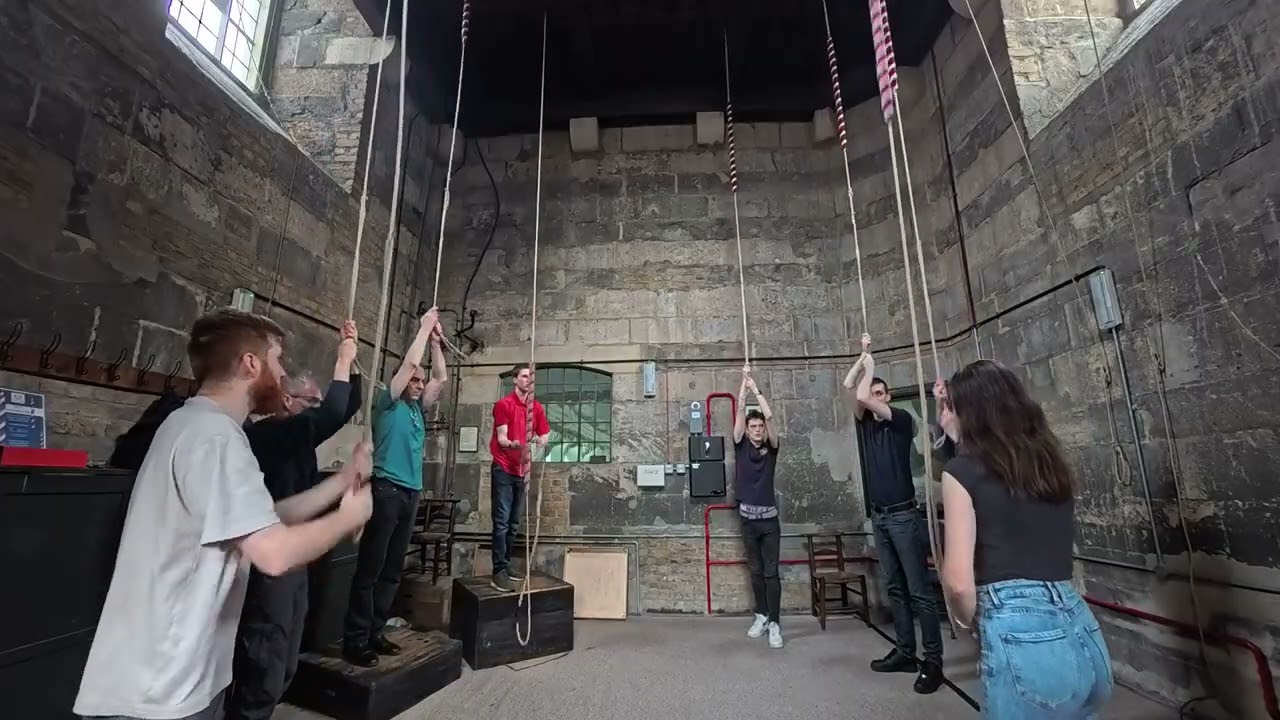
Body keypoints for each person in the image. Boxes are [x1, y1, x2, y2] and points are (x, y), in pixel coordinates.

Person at [73, 308, 374, 720]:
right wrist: (347, 517)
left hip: (174, 680)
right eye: (276, 360)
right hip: (160, 691)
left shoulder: (195, 425)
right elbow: (273, 553)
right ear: (251, 364)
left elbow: (264, 517)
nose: (281, 373)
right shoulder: (215, 437)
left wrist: (340, 484)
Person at [939, 360, 1113, 719]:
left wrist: (970, 621)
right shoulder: (1048, 463)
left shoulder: (960, 472)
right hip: (1080, 625)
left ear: (968, 413)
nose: (945, 415)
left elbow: (957, 583)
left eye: (950, 407)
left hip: (1021, 629)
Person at [226, 322, 364, 720]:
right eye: (310, 402)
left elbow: (345, 405)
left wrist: (352, 354)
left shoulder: (297, 434)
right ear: (287, 401)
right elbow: (334, 411)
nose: (316, 411)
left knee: (285, 654)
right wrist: (342, 359)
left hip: (293, 554)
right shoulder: (274, 433)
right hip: (272, 557)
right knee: (266, 657)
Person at [342, 307, 448, 667]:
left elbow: (441, 377)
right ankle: (356, 640)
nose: (418, 385)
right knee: (371, 569)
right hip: (387, 490)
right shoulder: (387, 403)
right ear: (401, 382)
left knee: (391, 571)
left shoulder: (418, 410)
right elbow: (409, 364)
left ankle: (375, 632)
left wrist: (436, 344)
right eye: (413, 381)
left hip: (410, 494)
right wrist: (423, 329)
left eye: (420, 382)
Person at [843, 332, 945, 694]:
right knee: (896, 588)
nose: (874, 397)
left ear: (887, 398)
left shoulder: (900, 421)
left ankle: (933, 661)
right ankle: (905, 651)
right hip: (881, 517)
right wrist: (861, 359)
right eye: (873, 392)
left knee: (919, 590)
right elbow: (850, 388)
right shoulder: (866, 426)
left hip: (903, 517)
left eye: (880, 393)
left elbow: (860, 394)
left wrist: (870, 364)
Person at [732, 365, 783, 649]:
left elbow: (771, 416)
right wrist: (744, 384)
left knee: (771, 573)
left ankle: (775, 622)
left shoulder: (771, 447)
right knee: (755, 571)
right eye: (754, 426)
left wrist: (756, 390)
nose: (757, 430)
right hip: (748, 522)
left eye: (760, 427)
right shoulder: (741, 445)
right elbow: (740, 410)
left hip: (769, 523)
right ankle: (761, 615)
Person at [487, 363, 550, 593]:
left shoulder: (536, 408)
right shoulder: (504, 405)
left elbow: (545, 433)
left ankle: (506, 565)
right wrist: (511, 443)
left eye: (531, 377)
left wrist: (541, 440)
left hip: (521, 471)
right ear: (514, 380)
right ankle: (498, 571)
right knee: (502, 522)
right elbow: (501, 437)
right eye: (524, 376)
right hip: (504, 468)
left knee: (514, 523)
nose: (528, 380)